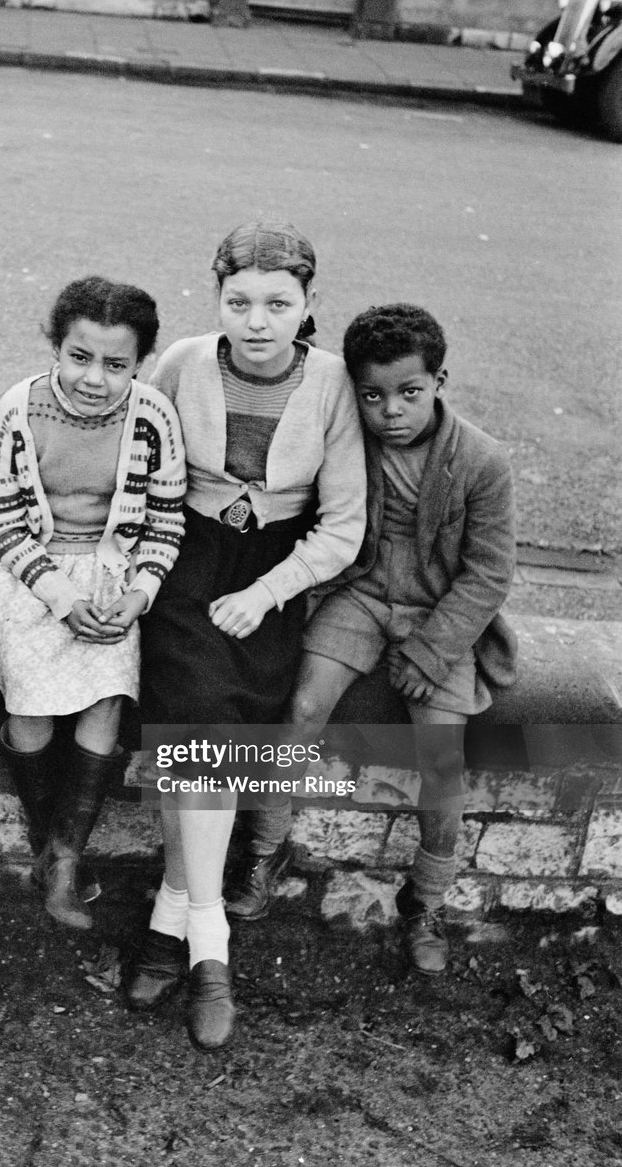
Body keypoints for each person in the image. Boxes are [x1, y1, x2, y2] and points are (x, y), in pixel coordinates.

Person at [124, 220, 366, 1051]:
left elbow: (341, 528)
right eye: (237, 301)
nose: (255, 320)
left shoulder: (331, 383)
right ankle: (212, 947)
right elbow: (140, 471)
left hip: (275, 571)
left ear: (307, 304)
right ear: (216, 296)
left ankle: (167, 917)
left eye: (276, 303)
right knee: (200, 726)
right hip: (185, 559)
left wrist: (265, 594)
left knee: (228, 739)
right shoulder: (184, 363)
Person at [284, 303, 516, 974]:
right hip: (360, 598)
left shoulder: (480, 460)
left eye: (409, 392)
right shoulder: (347, 438)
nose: (390, 411)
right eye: (373, 395)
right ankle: (261, 853)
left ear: (439, 380)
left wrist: (428, 650)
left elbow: (487, 573)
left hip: (434, 616)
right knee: (299, 710)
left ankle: (426, 900)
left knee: (441, 763)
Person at [0, 277, 186, 930]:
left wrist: (136, 594)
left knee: (105, 692)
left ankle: (65, 861)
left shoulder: (152, 419)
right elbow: (5, 522)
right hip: (29, 571)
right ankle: (52, 846)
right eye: (79, 357)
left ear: (141, 363)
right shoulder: (19, 409)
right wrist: (60, 596)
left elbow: (164, 523)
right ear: (55, 346)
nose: (94, 377)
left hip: (112, 571)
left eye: (116, 364)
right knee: (31, 704)